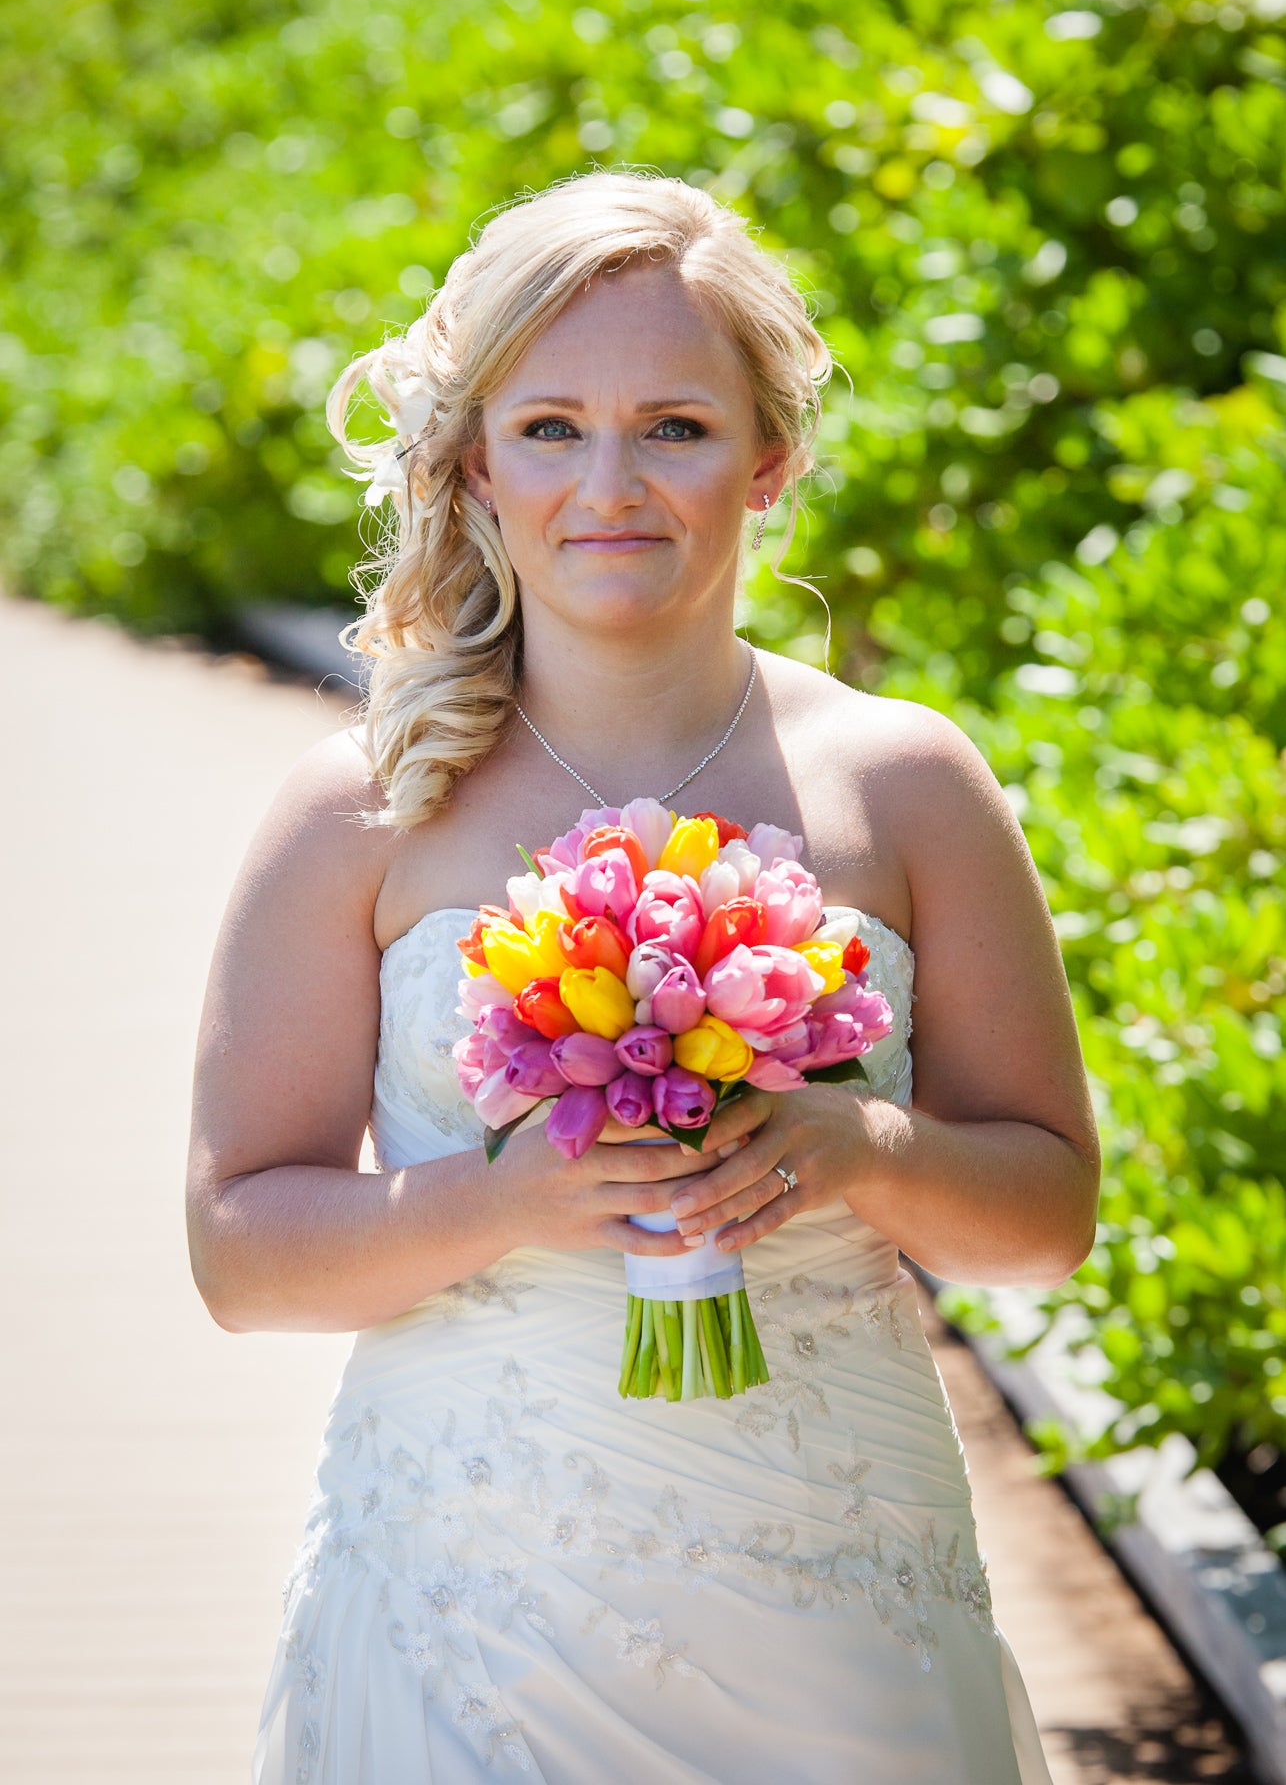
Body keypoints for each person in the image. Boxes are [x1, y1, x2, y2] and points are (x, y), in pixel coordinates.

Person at [187, 170, 1099, 1784]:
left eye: (673, 426)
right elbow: (241, 1254)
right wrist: (505, 1200)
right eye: (548, 428)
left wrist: (858, 1149)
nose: (610, 482)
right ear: (472, 462)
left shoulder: (905, 785)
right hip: (471, 1600)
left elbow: (1043, 1217)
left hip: (840, 1590)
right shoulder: (359, 811)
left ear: (768, 461)